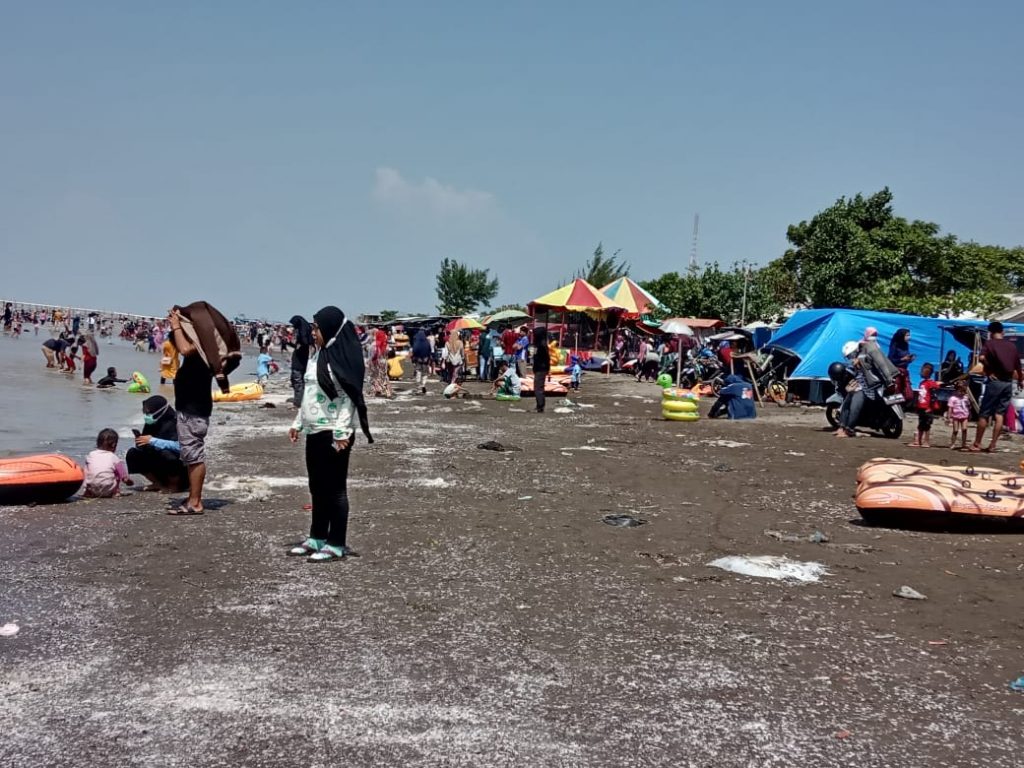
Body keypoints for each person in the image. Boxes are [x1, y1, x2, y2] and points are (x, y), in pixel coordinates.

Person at [288, 305, 373, 562]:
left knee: (335, 489)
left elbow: (349, 398)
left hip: (336, 432)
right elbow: (309, 395)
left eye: (316, 328)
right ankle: (317, 536)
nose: (312, 332)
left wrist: (342, 432)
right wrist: (298, 423)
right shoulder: (317, 356)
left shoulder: (343, 359)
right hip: (314, 430)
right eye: (312, 327)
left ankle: (336, 542)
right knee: (317, 487)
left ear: (329, 329)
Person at [168, 307, 214, 515]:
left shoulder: (202, 345)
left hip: (194, 410)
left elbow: (185, 349)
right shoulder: (201, 346)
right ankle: (193, 497)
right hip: (191, 409)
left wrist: (177, 325)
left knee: (194, 455)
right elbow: (177, 345)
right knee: (190, 455)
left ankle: (195, 502)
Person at [970, 321, 1022, 453]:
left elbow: (981, 357)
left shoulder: (989, 344)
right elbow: (1017, 366)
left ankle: (977, 443)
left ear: (990, 333)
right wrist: (1021, 380)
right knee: (1000, 414)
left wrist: (989, 370)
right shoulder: (1011, 346)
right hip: (1008, 383)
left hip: (995, 381)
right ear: (1002, 332)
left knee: (985, 413)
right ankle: (993, 445)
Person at [126, 395, 188, 492]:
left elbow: (181, 447)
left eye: (149, 412)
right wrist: (141, 442)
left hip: (179, 470)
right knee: (132, 453)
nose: (147, 415)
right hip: (159, 465)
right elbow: (146, 444)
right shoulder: (152, 422)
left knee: (166, 454)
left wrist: (153, 441)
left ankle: (174, 486)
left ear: (159, 411)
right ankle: (157, 483)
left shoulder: (177, 422)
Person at [83, 428, 133, 498]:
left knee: (88, 469)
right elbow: (122, 474)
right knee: (116, 471)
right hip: (108, 490)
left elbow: (86, 472)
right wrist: (126, 479)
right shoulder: (113, 457)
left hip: (92, 490)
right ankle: (115, 491)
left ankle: (87, 492)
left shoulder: (91, 455)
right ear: (114, 445)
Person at [909, 362, 940, 448]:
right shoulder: (922, 383)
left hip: (928, 407)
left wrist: (930, 407)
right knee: (920, 424)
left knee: (927, 425)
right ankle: (918, 441)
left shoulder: (931, 383)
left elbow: (933, 396)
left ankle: (926, 441)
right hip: (921, 407)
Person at [287, 315, 314, 406]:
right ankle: (300, 400)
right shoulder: (304, 337)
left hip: (299, 361)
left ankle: (299, 402)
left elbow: (303, 344)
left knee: (297, 380)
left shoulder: (303, 338)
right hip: (301, 360)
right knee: (297, 380)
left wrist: (298, 346)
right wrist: (289, 343)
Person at [945, 379, 971, 450]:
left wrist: (970, 414)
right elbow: (950, 408)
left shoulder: (965, 398)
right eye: (960, 391)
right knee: (955, 430)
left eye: (963, 391)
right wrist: (949, 417)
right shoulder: (953, 398)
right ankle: (952, 443)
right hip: (956, 416)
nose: (962, 393)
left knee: (964, 429)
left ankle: (963, 443)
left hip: (964, 415)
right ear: (956, 390)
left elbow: (968, 406)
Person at [532, 328, 550, 413]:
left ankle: (540, 406)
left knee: (538, 388)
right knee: (539, 387)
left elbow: (544, 358)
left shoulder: (541, 346)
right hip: (541, 369)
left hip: (540, 369)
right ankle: (539, 405)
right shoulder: (542, 345)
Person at [410, 329, 432, 394]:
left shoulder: (416, 342)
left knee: (418, 372)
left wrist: (413, 358)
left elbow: (414, 351)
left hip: (418, 360)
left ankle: (418, 387)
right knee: (425, 373)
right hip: (425, 360)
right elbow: (429, 351)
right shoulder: (427, 342)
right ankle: (423, 384)